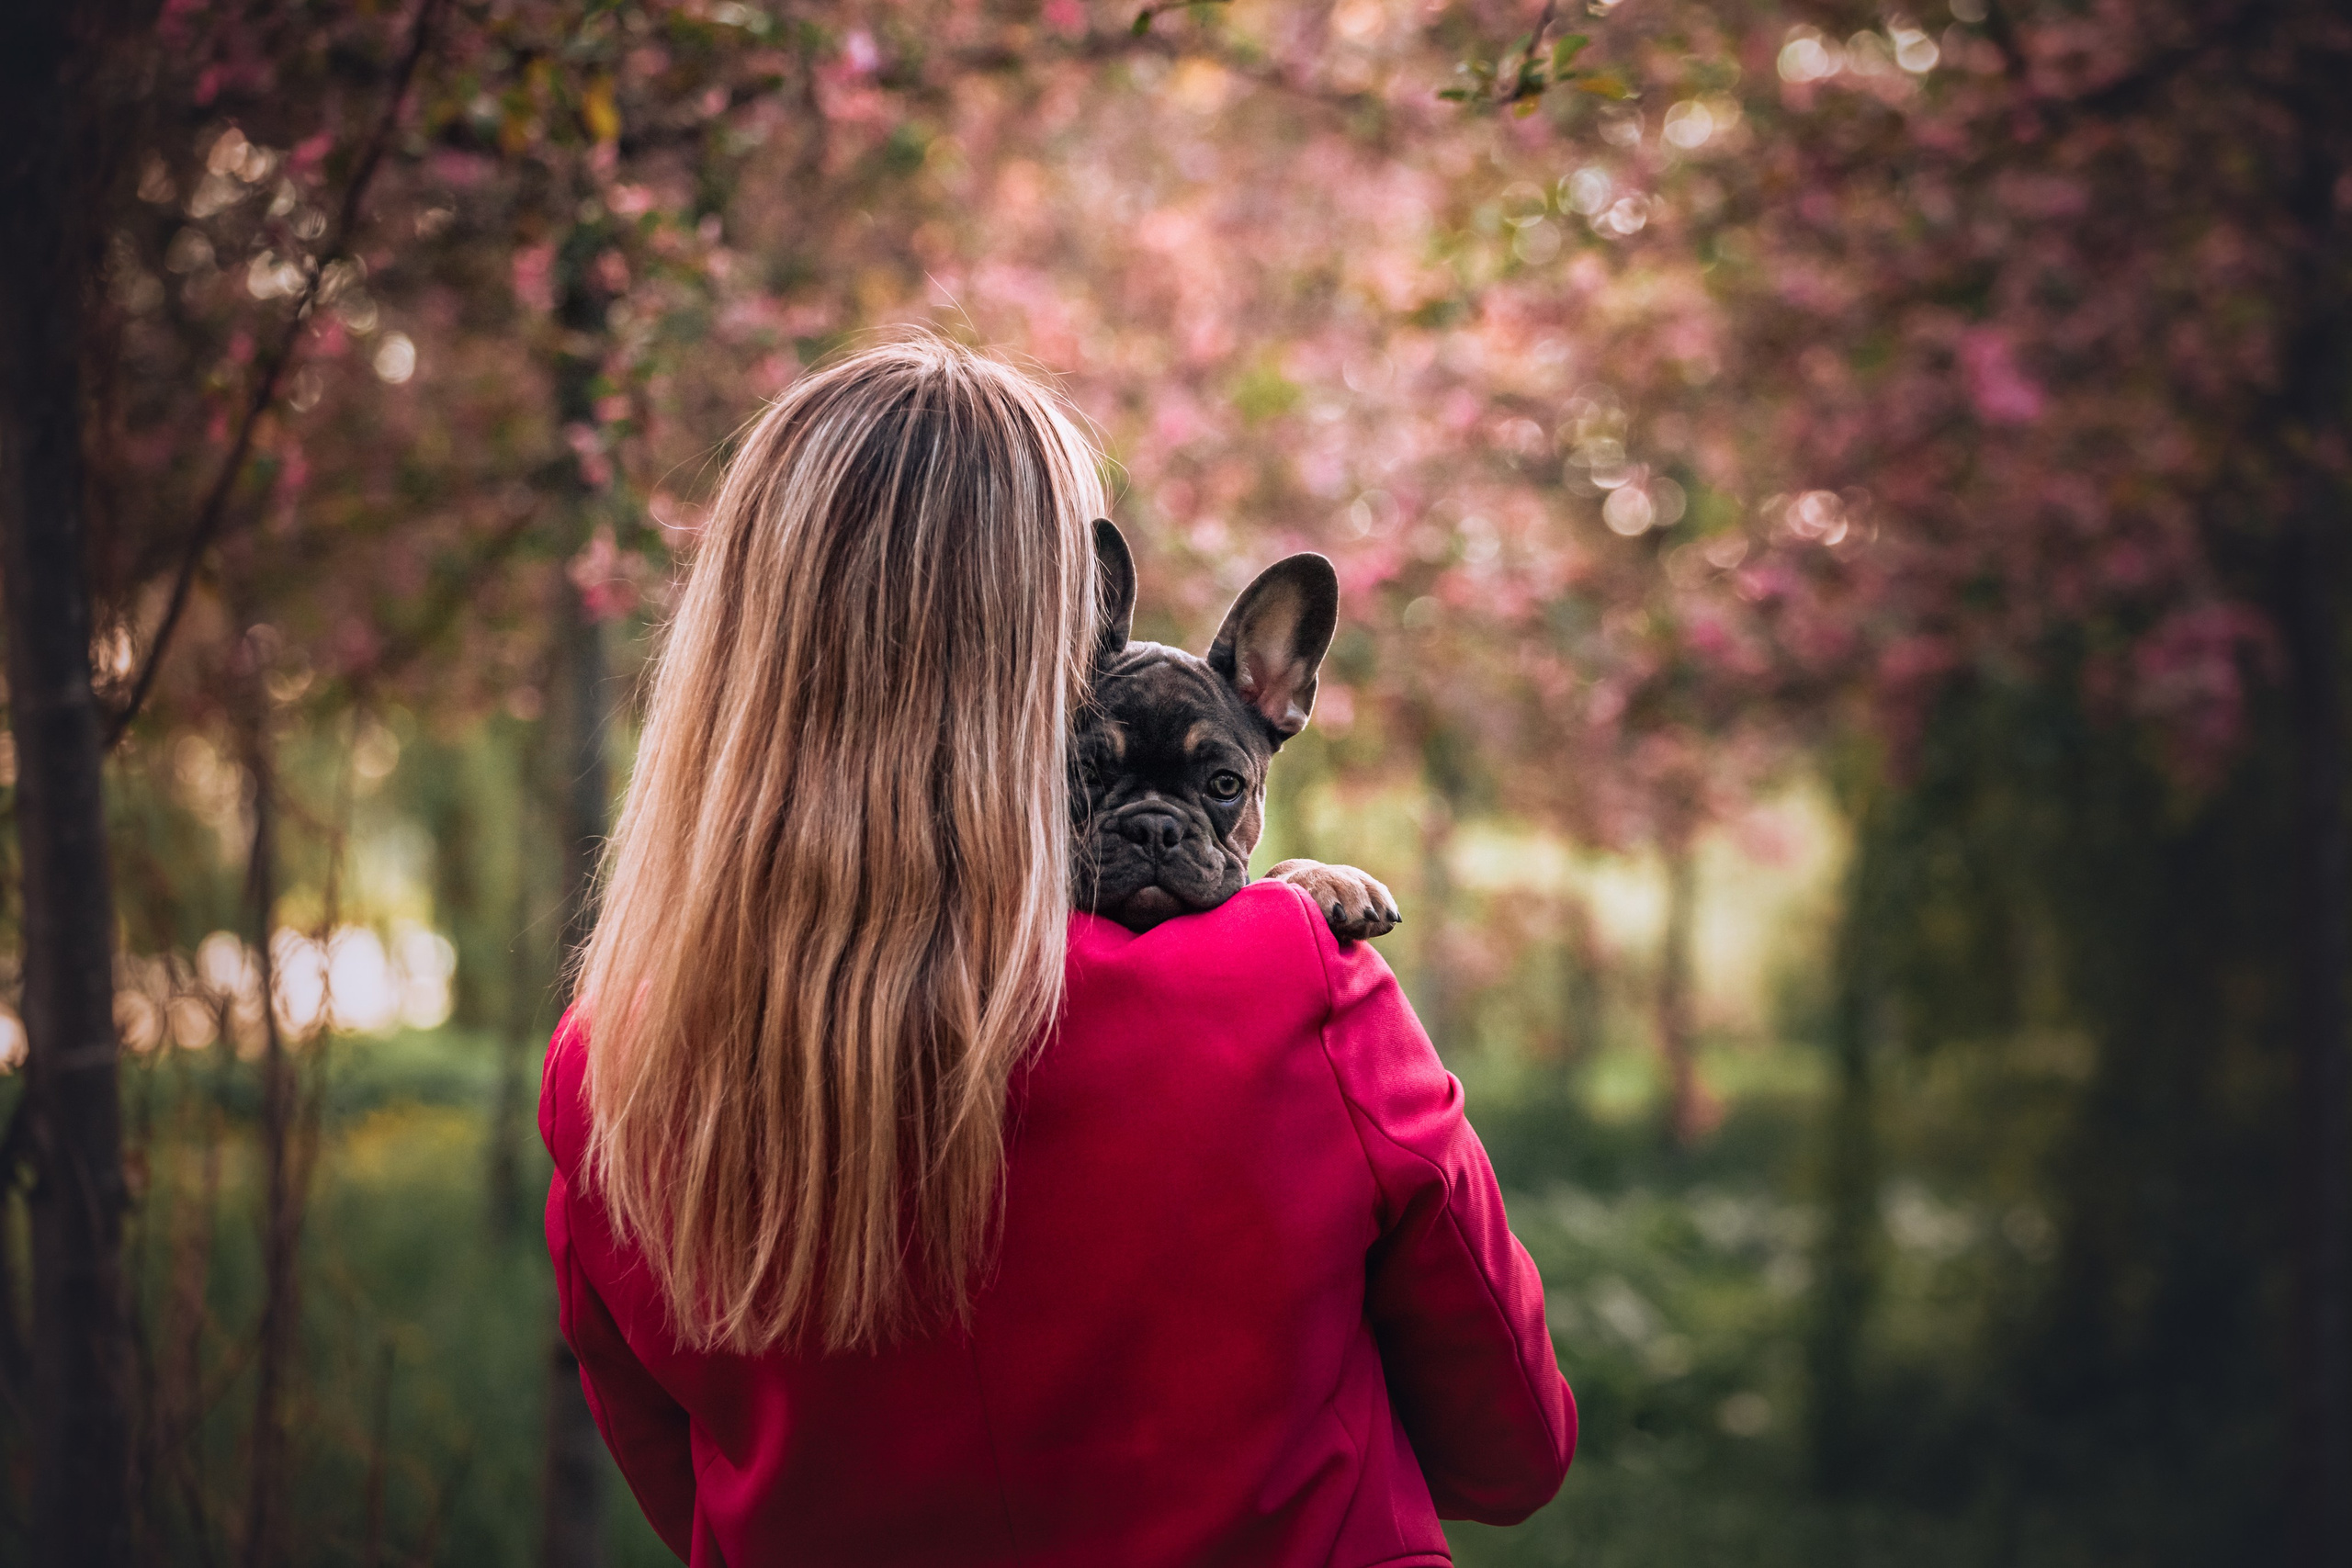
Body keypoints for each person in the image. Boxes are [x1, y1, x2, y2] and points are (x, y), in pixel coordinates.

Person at [540, 335, 1575, 1567]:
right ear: (1038, 659)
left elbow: (685, 1486)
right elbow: (1514, 1451)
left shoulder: (620, 1067)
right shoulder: (1298, 986)